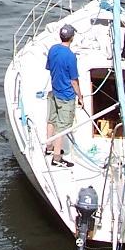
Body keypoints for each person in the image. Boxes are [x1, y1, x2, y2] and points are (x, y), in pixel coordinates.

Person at [45, 23, 82, 168]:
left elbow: (49, 67)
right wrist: (80, 96)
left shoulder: (53, 49)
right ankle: (57, 157)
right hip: (66, 96)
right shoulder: (71, 56)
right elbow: (74, 80)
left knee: (51, 120)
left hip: (54, 91)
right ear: (72, 38)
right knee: (62, 127)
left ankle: (48, 146)